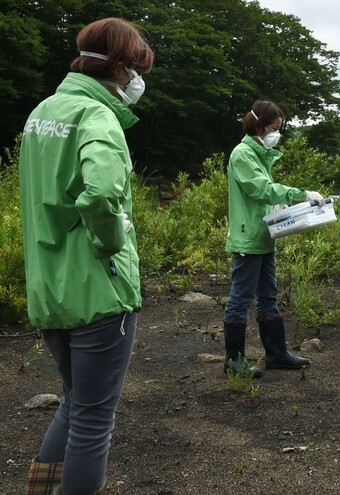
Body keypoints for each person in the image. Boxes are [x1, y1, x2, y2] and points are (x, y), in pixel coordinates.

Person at [19, 17, 153, 495]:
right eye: (139, 70)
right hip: (97, 288)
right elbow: (99, 196)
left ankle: (39, 491)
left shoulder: (44, 112)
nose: (140, 81)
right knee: (95, 420)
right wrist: (112, 238)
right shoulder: (99, 118)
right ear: (121, 69)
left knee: (75, 403)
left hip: (49, 287)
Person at [222, 100, 325, 377]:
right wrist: (299, 194)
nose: (276, 134)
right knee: (240, 298)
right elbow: (261, 189)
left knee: (269, 295)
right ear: (258, 125)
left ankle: (277, 353)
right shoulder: (243, 154)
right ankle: (234, 359)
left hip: (263, 236)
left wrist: (278, 209)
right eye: (273, 128)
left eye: (279, 129)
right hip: (248, 238)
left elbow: (264, 195)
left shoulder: (258, 154)